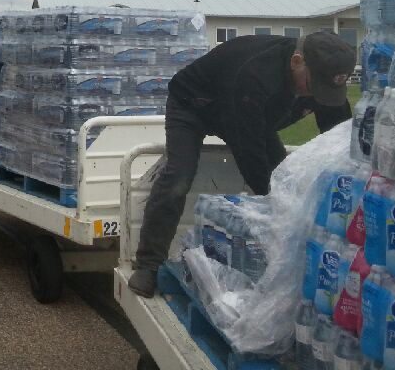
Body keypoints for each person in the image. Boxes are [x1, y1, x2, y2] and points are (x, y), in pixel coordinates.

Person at [127, 30, 355, 298]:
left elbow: (339, 139)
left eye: (327, 90)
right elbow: (250, 155)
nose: (317, 95)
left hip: (253, 114)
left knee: (284, 179)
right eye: (313, 84)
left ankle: (286, 264)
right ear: (296, 61)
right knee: (179, 178)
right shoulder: (256, 74)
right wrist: (278, 205)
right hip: (195, 105)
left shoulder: (318, 76)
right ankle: (148, 265)